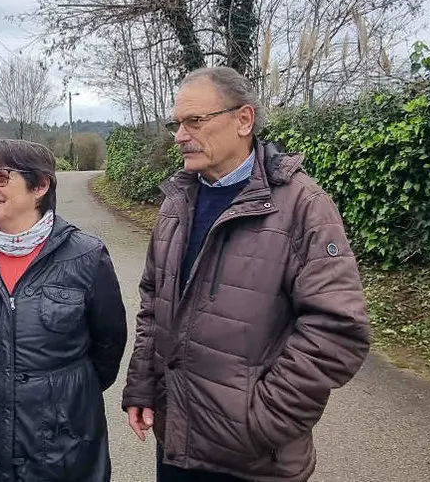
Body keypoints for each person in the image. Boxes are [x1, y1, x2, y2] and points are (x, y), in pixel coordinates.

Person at [122, 67, 371, 482]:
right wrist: (143, 385)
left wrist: (262, 421)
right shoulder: (177, 202)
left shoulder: (302, 206)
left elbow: (339, 328)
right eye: (177, 123)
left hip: (253, 461)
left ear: (243, 120)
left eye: (194, 121)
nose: (181, 135)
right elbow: (153, 303)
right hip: (177, 446)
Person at [0, 138, 128, 482]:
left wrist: (61, 396)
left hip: (64, 450)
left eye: (1, 177)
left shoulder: (87, 256)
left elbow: (108, 347)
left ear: (40, 185)